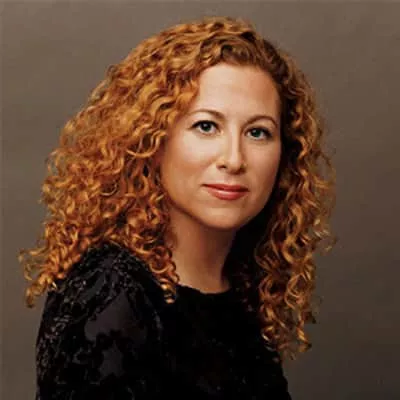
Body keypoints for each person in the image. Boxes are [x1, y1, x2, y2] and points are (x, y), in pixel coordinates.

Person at [19, 15, 336, 399]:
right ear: (152, 141)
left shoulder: (238, 290)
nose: (234, 159)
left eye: (258, 132)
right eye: (206, 126)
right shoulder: (114, 293)